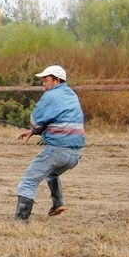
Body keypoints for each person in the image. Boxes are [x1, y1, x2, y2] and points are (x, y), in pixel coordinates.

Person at [14, 65, 85, 222]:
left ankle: (20, 221)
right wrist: (33, 132)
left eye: (46, 80)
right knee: (51, 173)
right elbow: (59, 120)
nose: (43, 84)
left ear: (57, 80)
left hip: (57, 150)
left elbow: (37, 120)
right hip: (76, 154)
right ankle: (57, 204)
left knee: (28, 182)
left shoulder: (50, 96)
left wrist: (34, 128)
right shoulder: (72, 95)